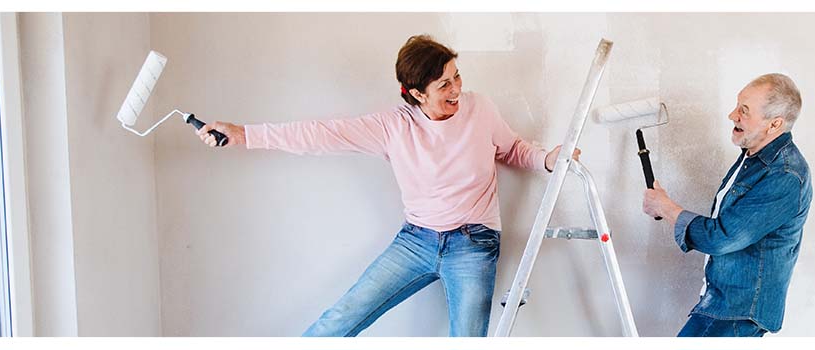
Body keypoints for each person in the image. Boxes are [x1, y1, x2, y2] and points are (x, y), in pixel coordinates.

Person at [195, 35, 579, 337]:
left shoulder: (480, 108)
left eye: (457, 76)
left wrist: (548, 159)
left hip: (473, 243)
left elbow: (513, 149)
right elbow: (320, 134)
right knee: (341, 317)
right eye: (444, 83)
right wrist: (243, 134)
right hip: (416, 241)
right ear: (416, 93)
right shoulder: (394, 126)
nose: (457, 89)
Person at [641, 73, 812, 337]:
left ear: (774, 124)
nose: (732, 115)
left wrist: (666, 207)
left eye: (744, 110)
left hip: (738, 312)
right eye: (736, 106)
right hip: (723, 304)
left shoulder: (784, 175)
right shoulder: (753, 158)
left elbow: (722, 237)